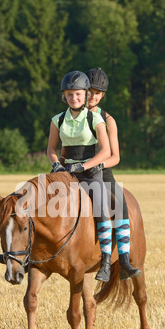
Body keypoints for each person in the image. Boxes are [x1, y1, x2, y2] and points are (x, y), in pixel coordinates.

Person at [48, 70, 112, 282]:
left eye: (77, 94)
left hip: (90, 173)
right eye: (69, 95)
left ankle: (105, 262)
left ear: (85, 95)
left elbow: (105, 151)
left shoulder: (96, 119)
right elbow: (51, 149)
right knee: (39, 201)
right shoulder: (57, 120)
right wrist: (56, 164)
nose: (73, 98)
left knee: (101, 208)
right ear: (64, 96)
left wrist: (84, 166)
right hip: (65, 172)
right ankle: (33, 254)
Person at [85, 67, 141, 280]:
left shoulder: (108, 120)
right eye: (89, 91)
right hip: (74, 170)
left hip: (101, 171)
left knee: (119, 203)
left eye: (97, 92)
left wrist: (97, 165)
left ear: (103, 95)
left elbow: (115, 156)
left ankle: (124, 260)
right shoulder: (71, 116)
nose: (92, 96)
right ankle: (29, 256)